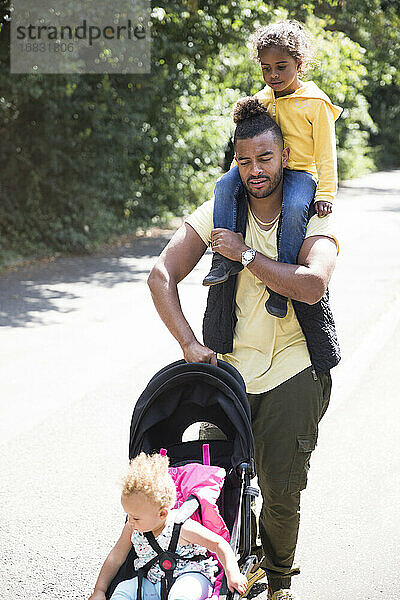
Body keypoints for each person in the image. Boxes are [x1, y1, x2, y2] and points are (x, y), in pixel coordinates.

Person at [147, 97, 340, 600]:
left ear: (285, 158)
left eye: (266, 159)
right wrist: (189, 344)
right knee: (213, 483)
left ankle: (277, 583)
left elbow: (312, 283)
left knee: (279, 489)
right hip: (228, 372)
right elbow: (160, 275)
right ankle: (219, 573)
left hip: (293, 368)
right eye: (245, 160)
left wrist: (245, 254)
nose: (255, 170)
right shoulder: (218, 210)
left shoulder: (313, 210)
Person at [203, 20, 342, 322]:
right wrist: (236, 172)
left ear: (300, 63)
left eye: (281, 67)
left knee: (293, 209)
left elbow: (326, 153)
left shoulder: (315, 103)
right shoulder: (263, 98)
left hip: (301, 173)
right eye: (266, 68)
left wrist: (326, 192)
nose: (273, 75)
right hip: (265, 168)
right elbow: (248, 141)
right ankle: (223, 260)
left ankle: (281, 286)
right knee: (223, 186)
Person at [88, 452, 247, 600]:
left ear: (162, 514)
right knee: (123, 589)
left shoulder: (181, 526)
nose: (130, 521)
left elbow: (219, 544)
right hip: (152, 582)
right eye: (128, 515)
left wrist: (232, 573)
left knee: (182, 593)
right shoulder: (132, 527)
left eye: (135, 517)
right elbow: (116, 558)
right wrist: (99, 590)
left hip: (192, 577)